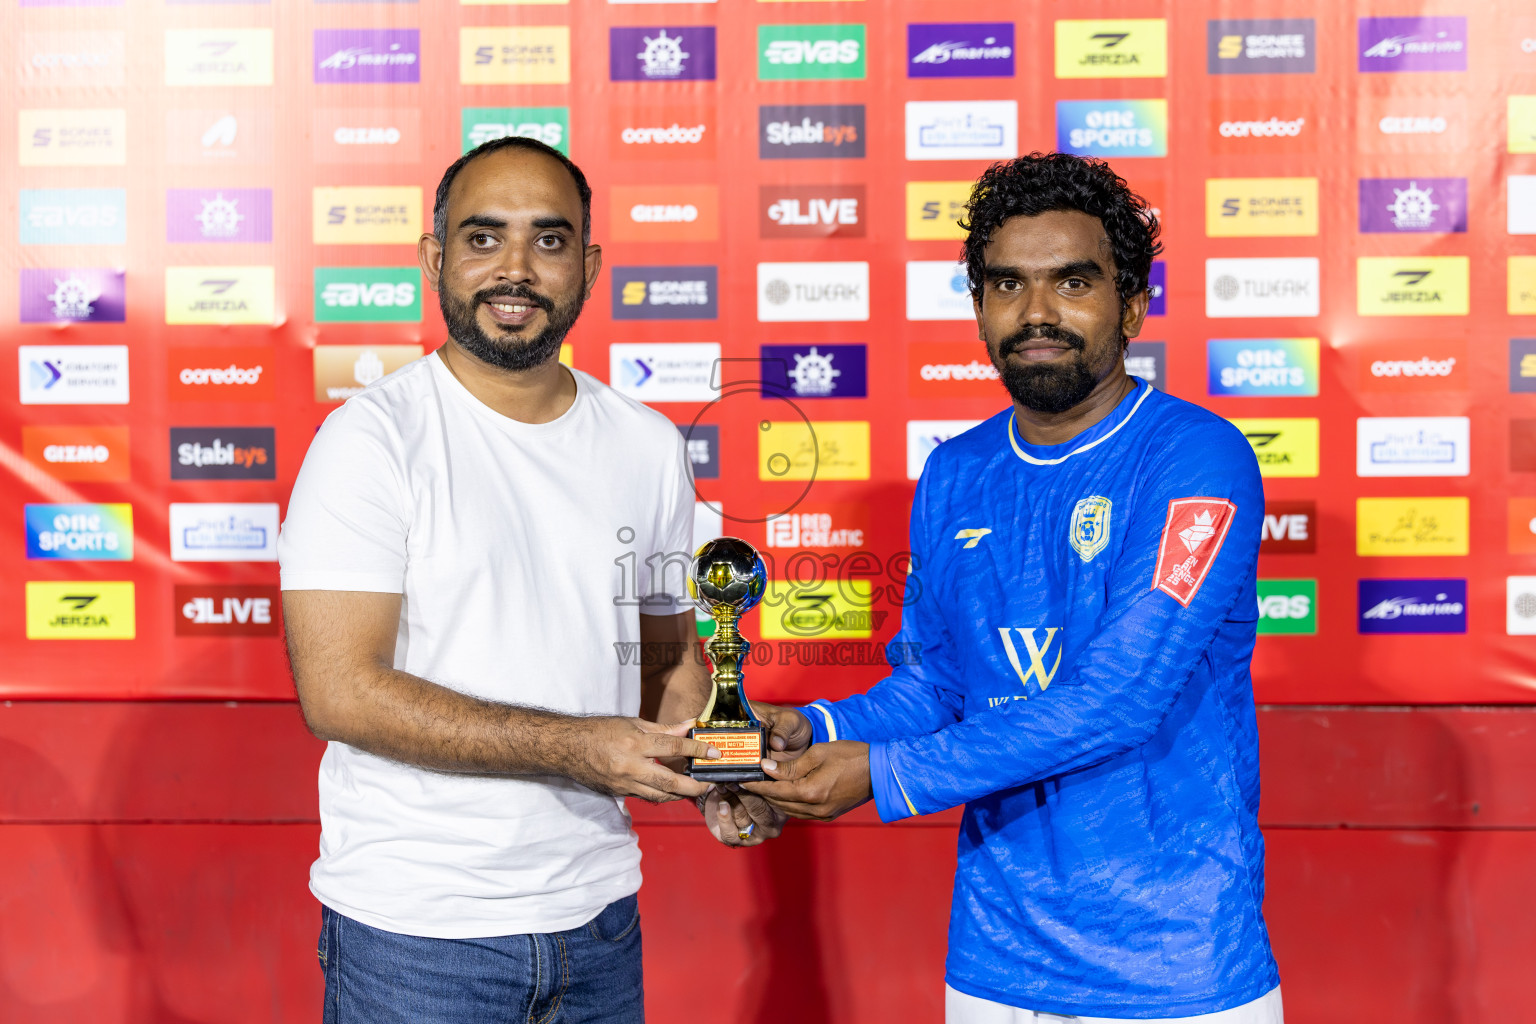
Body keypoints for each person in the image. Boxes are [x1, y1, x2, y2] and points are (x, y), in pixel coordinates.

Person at [745, 153, 1283, 1023]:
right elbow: (939, 685)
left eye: (1072, 282)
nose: (1036, 313)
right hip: (994, 964)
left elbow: (1118, 700)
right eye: (1007, 285)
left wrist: (885, 775)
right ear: (980, 307)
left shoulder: (1196, 457)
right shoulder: (955, 472)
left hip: (1173, 966)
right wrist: (820, 729)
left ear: (1132, 304)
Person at [279, 136, 779, 1023]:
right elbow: (340, 692)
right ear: (434, 259)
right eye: (484, 238)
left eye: (549, 240)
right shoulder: (372, 440)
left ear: (588, 266)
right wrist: (579, 747)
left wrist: (718, 761)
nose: (515, 268)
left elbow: (665, 664)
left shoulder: (647, 444)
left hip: (599, 921)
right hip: (416, 938)